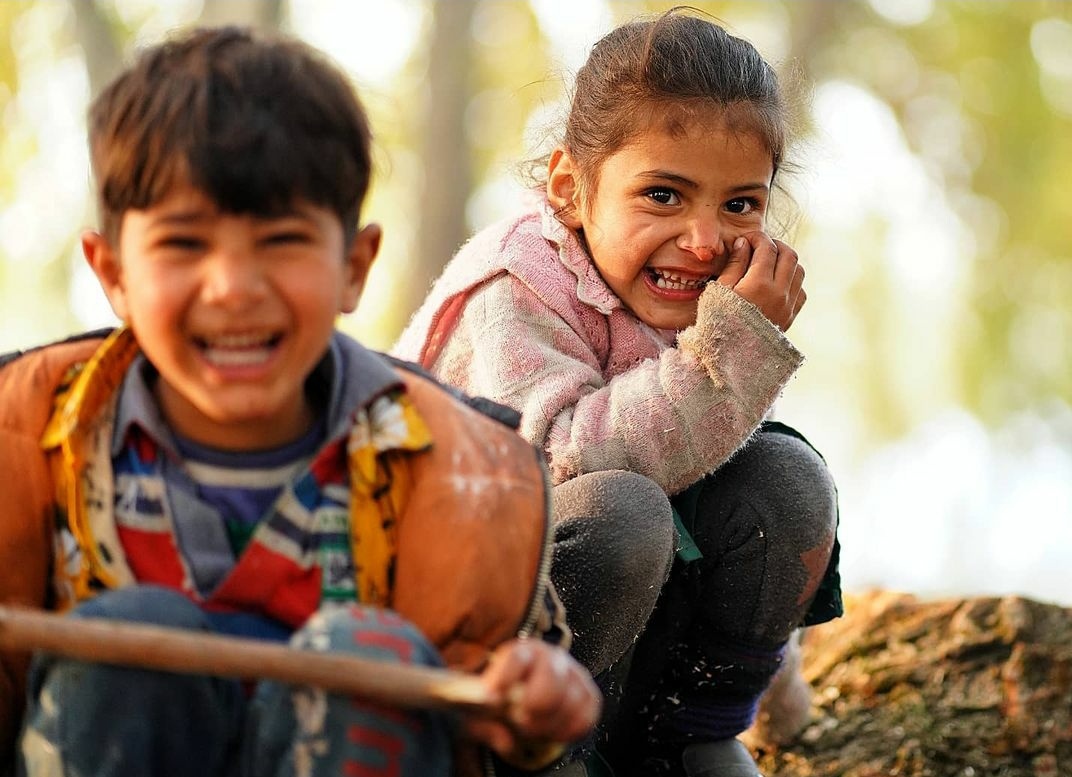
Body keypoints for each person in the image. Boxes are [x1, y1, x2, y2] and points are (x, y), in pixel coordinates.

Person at [0, 26, 601, 777]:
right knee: (132, 636)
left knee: (366, 651)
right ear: (113, 272)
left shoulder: (459, 467)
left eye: (281, 240)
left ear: (354, 266)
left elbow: (513, 711)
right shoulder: (24, 440)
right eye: (184, 244)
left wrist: (539, 704)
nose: (234, 287)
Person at [392, 9, 843, 777]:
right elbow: (560, 467)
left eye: (740, 204)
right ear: (572, 187)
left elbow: (714, 454)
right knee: (623, 508)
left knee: (787, 476)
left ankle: (688, 734)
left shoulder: (694, 288)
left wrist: (776, 679)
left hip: (620, 616)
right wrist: (729, 349)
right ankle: (541, 755)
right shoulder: (516, 286)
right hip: (484, 624)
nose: (704, 240)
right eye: (663, 195)